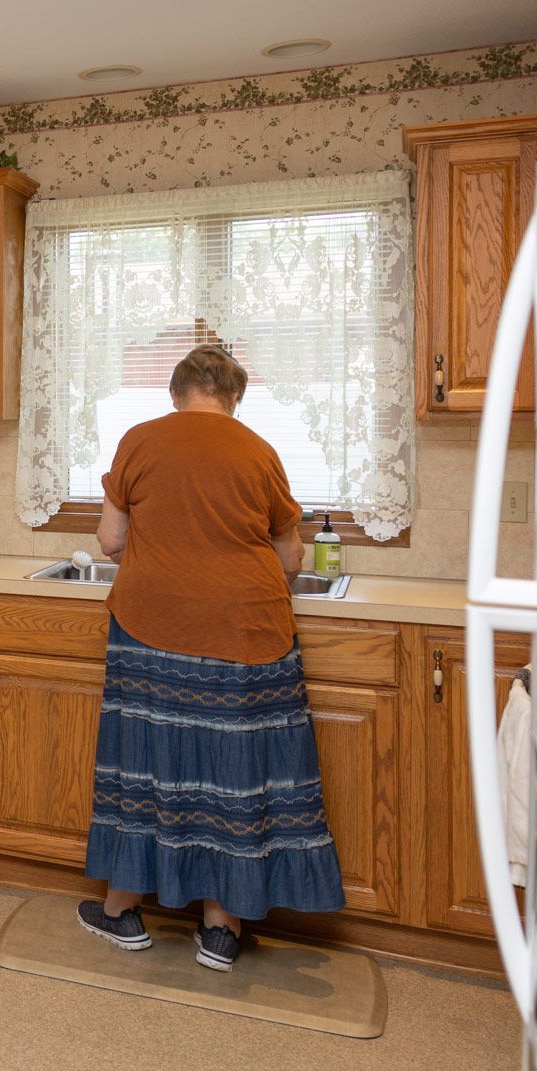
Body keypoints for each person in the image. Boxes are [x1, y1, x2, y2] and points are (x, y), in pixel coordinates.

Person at [77, 346, 345, 971]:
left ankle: (121, 910)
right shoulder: (258, 452)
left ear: (175, 394)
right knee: (234, 773)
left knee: (143, 765)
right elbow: (290, 559)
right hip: (245, 628)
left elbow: (111, 540)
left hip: (149, 625)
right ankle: (220, 929)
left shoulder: (139, 442)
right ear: (234, 397)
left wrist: (166, 563)